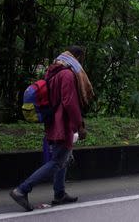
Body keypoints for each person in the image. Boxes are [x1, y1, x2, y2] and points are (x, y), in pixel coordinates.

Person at [10, 46, 93, 211]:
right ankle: (22, 190)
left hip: (53, 121)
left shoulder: (53, 72)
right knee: (57, 161)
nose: (81, 62)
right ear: (76, 56)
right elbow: (69, 102)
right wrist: (79, 125)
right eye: (81, 58)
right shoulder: (68, 74)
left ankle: (60, 193)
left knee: (63, 157)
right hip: (63, 122)